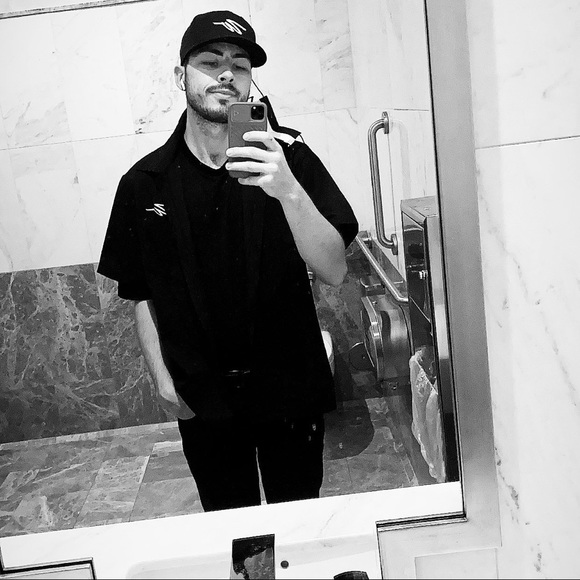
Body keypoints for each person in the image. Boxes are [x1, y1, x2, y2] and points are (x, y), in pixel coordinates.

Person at [98, 10, 358, 512]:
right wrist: (162, 378)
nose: (226, 73)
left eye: (239, 64)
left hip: (288, 388)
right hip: (204, 397)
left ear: (250, 80)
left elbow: (335, 270)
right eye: (210, 61)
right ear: (181, 76)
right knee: (230, 525)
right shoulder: (144, 184)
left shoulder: (290, 160)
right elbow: (139, 291)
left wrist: (288, 191)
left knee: (297, 520)